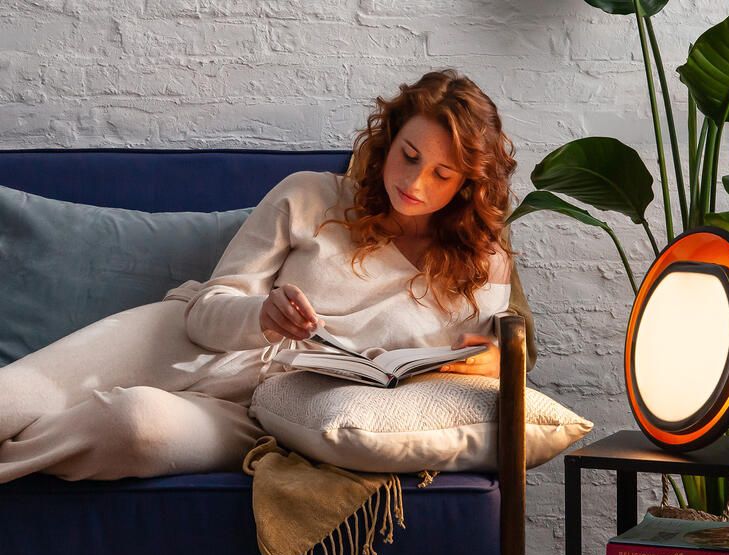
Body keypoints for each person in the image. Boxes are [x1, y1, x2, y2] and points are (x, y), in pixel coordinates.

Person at [0, 69, 516, 484]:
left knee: (131, 426)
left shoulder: (480, 264)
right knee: (12, 398)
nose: (414, 181)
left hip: (270, 412)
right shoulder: (311, 195)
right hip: (182, 340)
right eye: (409, 155)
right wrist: (263, 315)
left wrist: (483, 361)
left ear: (469, 185)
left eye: (442, 175)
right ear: (390, 140)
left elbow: (481, 363)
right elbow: (206, 314)